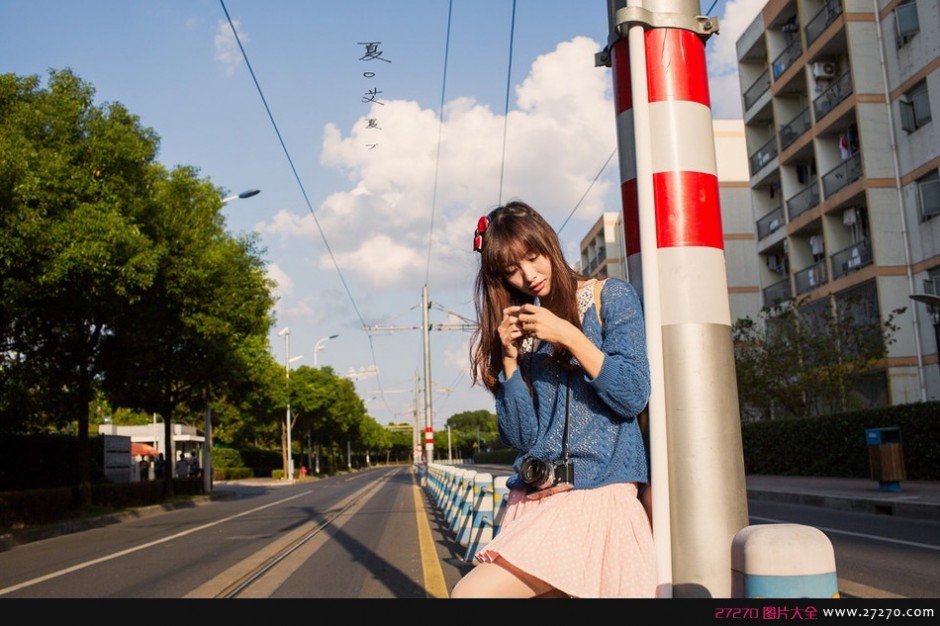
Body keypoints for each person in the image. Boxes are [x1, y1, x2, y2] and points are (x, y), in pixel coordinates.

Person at [451, 200, 656, 599]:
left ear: (549, 242)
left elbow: (632, 395)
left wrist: (569, 336)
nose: (528, 275)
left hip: (597, 496)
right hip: (534, 500)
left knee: (471, 595)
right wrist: (509, 363)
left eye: (532, 257)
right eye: (511, 269)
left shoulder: (608, 297)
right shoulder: (523, 326)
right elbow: (521, 436)